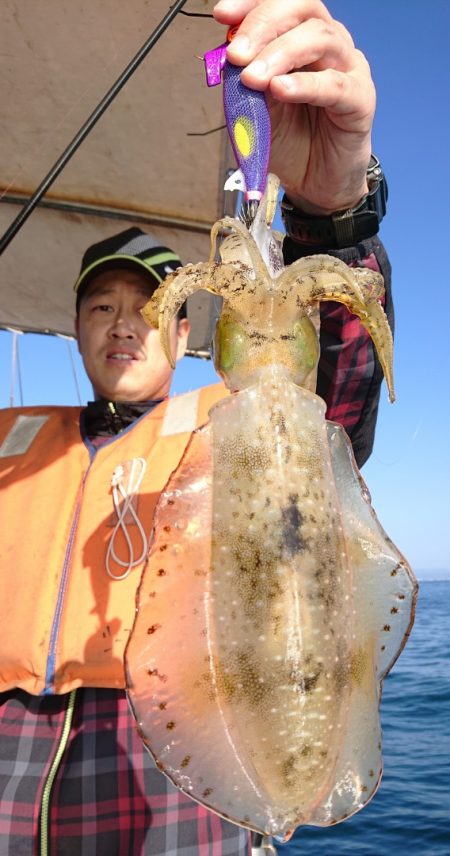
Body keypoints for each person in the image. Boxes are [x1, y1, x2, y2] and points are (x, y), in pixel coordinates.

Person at [0, 1, 392, 853]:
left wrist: (334, 212)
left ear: (188, 332)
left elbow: (340, 400)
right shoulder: (11, 447)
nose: (124, 324)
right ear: (75, 329)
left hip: (176, 766)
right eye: (100, 306)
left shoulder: (237, 423)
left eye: (150, 307)